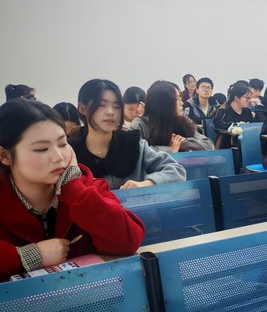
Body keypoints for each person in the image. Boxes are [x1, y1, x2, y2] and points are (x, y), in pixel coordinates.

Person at [0, 98, 145, 280]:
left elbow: (129, 241)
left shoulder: (84, 184)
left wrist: (74, 189)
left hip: (86, 293)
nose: (59, 157)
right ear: (5, 155)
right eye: (42, 149)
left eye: (62, 144)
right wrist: (29, 256)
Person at [69, 79, 186, 190]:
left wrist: (147, 183)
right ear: (82, 108)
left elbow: (176, 170)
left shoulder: (132, 144)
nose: (110, 112)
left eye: (116, 106)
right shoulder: (69, 152)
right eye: (101, 105)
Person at [130, 81, 215, 152]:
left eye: (180, 99)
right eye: (177, 99)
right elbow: (136, 151)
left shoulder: (182, 121)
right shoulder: (141, 124)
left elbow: (209, 146)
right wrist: (171, 149)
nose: (182, 103)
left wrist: (183, 142)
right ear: (164, 103)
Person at [212, 82, 254, 148]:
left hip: (244, 143)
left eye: (250, 98)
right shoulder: (223, 110)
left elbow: (252, 126)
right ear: (236, 98)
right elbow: (216, 124)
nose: (249, 101)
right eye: (247, 98)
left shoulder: (247, 111)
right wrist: (236, 125)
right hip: (226, 144)